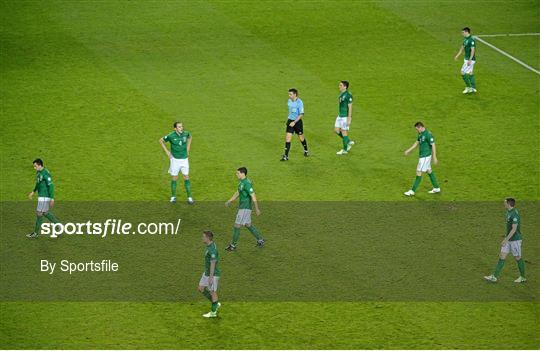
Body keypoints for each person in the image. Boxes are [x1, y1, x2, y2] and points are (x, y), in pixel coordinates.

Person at [484, 198, 526, 283]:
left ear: (509, 204)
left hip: (515, 240)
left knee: (517, 258)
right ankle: (494, 277)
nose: (504, 204)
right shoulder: (508, 212)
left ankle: (523, 277)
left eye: (505, 203)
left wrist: (506, 240)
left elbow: (514, 229)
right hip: (508, 239)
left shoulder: (514, 214)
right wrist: (506, 238)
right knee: (502, 256)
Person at [225, 167, 264, 251]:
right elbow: (238, 192)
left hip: (245, 208)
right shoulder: (241, 183)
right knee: (248, 224)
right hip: (243, 207)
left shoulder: (247, 183)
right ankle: (260, 240)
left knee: (237, 225)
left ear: (243, 174)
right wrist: (230, 200)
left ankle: (233, 245)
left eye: (238, 173)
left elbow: (253, 195)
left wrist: (257, 208)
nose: (236, 175)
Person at [159, 122, 194, 204]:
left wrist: (188, 148)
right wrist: (167, 151)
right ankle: (173, 196)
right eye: (179, 127)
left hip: (184, 159)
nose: (181, 128)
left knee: (186, 177)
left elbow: (190, 137)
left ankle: (189, 197)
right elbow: (161, 140)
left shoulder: (186, 133)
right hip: (175, 160)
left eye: (181, 126)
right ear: (175, 129)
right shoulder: (171, 135)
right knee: (174, 178)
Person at [403, 122, 441, 196]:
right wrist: (409, 150)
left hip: (425, 157)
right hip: (423, 156)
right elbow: (416, 143)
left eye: (417, 129)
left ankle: (412, 191)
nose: (417, 131)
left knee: (418, 172)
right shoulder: (420, 134)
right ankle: (436, 188)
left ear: (420, 127)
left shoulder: (428, 134)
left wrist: (434, 157)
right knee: (429, 171)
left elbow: (433, 145)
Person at [27, 159, 60, 238]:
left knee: (39, 213)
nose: (34, 168)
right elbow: (38, 183)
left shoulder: (45, 173)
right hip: (41, 196)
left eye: (35, 166)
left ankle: (36, 233)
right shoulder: (39, 172)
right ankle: (59, 226)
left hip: (45, 196)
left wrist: (52, 198)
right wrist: (33, 192)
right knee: (44, 213)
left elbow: (51, 186)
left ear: (40, 165)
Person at [198, 230, 221, 318]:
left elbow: (213, 263)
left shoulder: (212, 250)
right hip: (207, 273)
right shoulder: (210, 245)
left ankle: (213, 312)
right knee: (200, 288)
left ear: (208, 238)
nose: (202, 238)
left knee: (213, 292)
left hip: (213, 274)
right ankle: (215, 303)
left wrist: (211, 277)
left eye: (203, 237)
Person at [281, 88, 308, 161]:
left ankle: (306, 150)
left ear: (295, 94)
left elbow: (301, 114)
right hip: (290, 121)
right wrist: (290, 120)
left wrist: (294, 122)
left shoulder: (300, 102)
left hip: (297, 122)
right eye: (289, 94)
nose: (289, 96)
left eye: (290, 94)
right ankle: (286, 156)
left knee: (301, 138)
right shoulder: (289, 101)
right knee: (288, 138)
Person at [454, 27, 477, 94]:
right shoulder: (465, 39)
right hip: (466, 59)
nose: (462, 34)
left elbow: (473, 50)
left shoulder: (471, 40)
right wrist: (457, 56)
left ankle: (468, 87)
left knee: (462, 72)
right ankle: (473, 88)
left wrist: (470, 59)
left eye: (463, 32)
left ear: (467, 32)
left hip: (470, 60)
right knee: (470, 73)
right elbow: (462, 49)